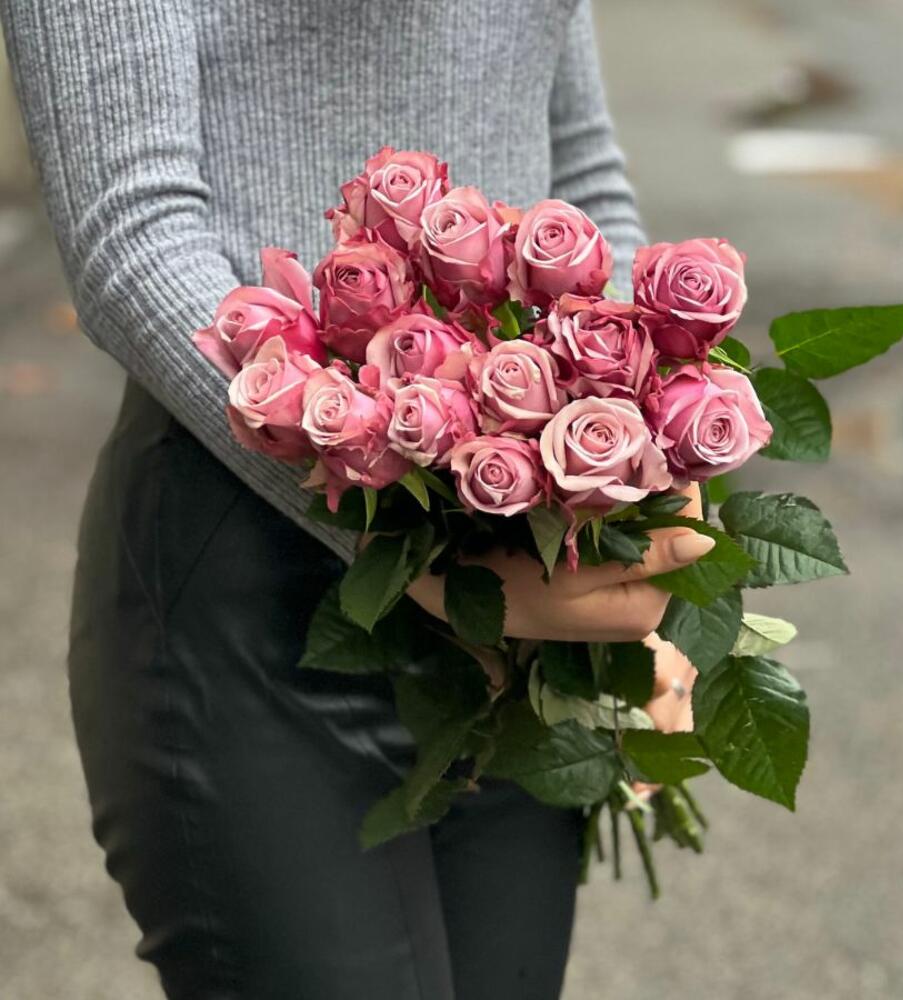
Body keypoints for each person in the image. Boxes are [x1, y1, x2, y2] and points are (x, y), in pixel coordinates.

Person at [0, 1, 712, 997]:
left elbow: (581, 171)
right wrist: (413, 542)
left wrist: (641, 485)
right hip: (252, 585)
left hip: (516, 577)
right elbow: (133, 236)